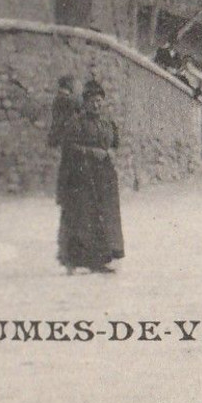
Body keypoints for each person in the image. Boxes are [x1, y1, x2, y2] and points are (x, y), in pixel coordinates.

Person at [58, 80, 124, 274]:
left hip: (105, 177)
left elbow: (115, 144)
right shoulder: (76, 123)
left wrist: (112, 153)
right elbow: (68, 147)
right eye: (93, 101)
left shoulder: (107, 123)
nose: (97, 105)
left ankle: (102, 259)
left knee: (105, 216)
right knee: (84, 216)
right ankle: (76, 261)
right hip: (82, 176)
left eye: (100, 101)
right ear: (85, 103)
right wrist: (91, 152)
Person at [48, 75, 80, 208]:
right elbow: (79, 104)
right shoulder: (68, 100)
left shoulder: (57, 99)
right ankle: (65, 195)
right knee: (69, 166)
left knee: (65, 165)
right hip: (68, 136)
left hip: (61, 135)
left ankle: (62, 195)